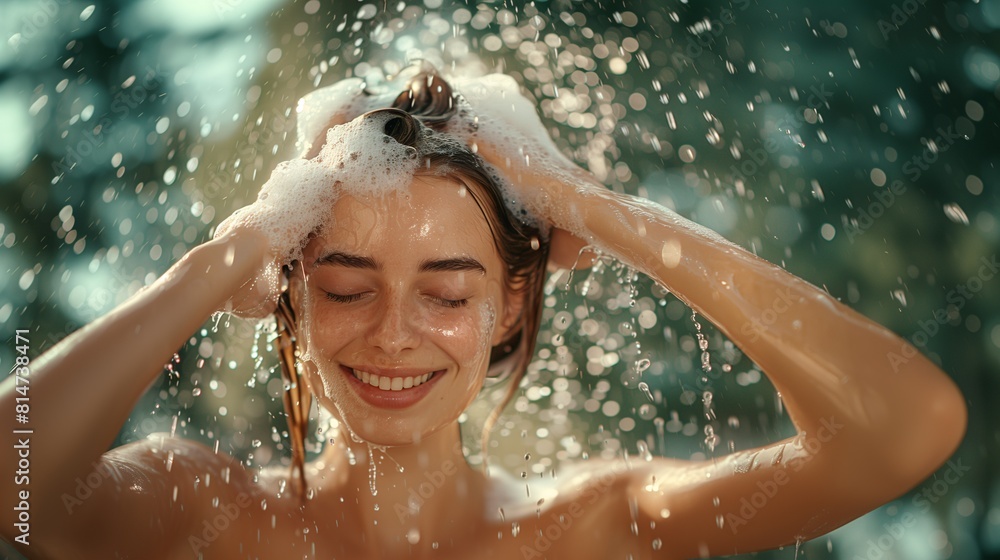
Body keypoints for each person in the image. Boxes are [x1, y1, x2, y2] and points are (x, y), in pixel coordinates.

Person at [0, 70, 966, 559]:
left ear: (511, 304)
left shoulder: (590, 529)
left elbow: (901, 430)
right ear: (289, 300)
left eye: (448, 292)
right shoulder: (201, 513)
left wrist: (597, 209)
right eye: (341, 286)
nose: (391, 331)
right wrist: (233, 251)